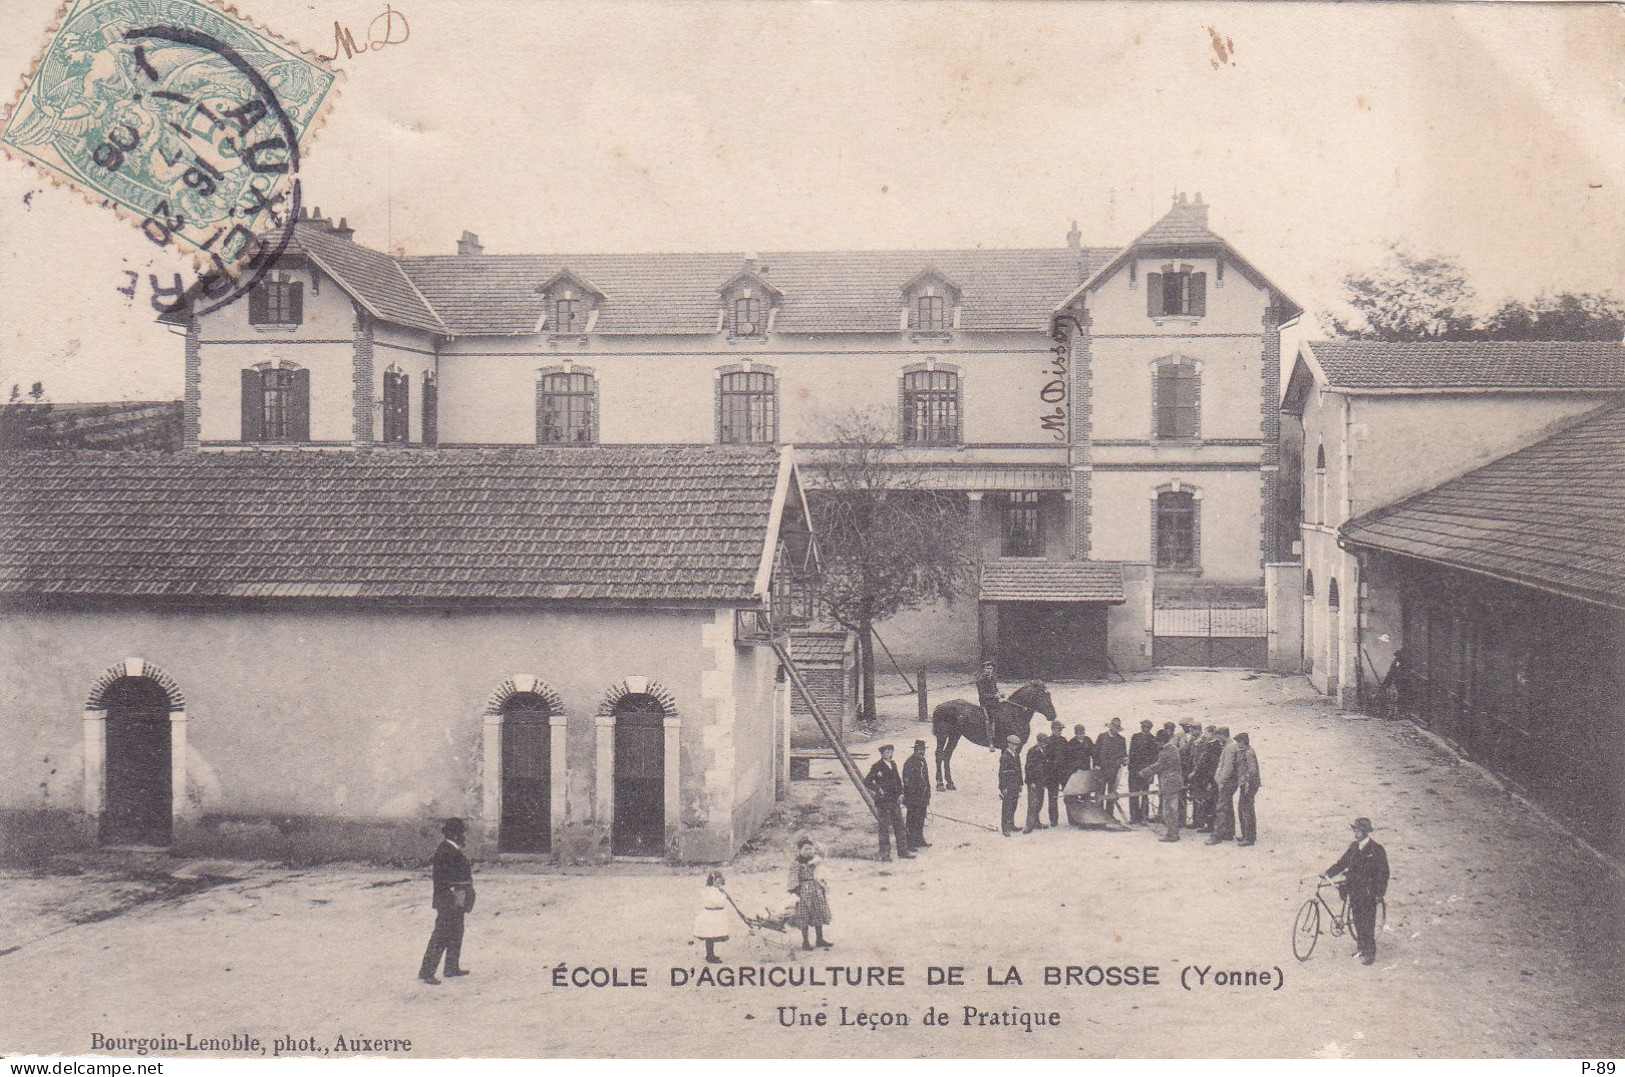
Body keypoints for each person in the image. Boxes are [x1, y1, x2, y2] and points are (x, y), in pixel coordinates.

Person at [1325, 817, 1389, 965]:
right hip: (1354, 890)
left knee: (1368, 921)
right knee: (1357, 920)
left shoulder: (1377, 849)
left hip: (1368, 892)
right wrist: (1327, 873)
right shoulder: (1354, 847)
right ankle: (1361, 947)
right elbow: (1342, 863)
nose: (1356, 832)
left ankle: (1370, 953)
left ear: (1366, 832)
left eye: (1359, 830)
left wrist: (1380, 893)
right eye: (1355, 829)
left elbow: (1384, 872)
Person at [418, 817, 474, 985]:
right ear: (455, 834)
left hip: (456, 899)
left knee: (457, 932)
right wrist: (457, 894)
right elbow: (446, 879)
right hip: (449, 900)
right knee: (441, 935)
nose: (464, 836)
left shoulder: (450, 849)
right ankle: (427, 972)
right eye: (461, 833)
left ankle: (451, 967)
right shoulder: (446, 851)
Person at [865, 744, 913, 860]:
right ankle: (885, 854)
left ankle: (903, 851)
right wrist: (878, 789)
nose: (890, 754)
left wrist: (901, 793)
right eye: (887, 752)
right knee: (884, 828)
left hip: (894, 801)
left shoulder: (893, 764)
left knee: (900, 826)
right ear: (882, 754)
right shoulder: (877, 767)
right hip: (883, 803)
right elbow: (867, 781)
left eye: (891, 752)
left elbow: (898, 781)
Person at [1138, 729, 1184, 842]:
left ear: (1162, 741)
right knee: (1172, 809)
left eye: (1158, 741)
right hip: (1175, 782)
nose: (1157, 744)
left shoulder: (1165, 752)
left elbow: (1158, 766)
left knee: (1169, 810)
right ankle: (1173, 833)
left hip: (1169, 784)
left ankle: (1171, 835)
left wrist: (1143, 772)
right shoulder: (1174, 749)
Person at [788, 837, 833, 951]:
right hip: (804, 891)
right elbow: (793, 878)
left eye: (810, 849)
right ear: (800, 850)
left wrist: (822, 886)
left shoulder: (815, 861)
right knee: (804, 915)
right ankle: (805, 942)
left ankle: (819, 939)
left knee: (819, 912)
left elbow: (820, 873)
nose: (808, 851)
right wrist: (796, 892)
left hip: (816, 889)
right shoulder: (797, 863)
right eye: (806, 849)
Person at [1208, 727, 1240, 844]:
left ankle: (1217, 836)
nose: (1218, 739)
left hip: (1227, 782)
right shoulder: (1230, 746)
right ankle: (1229, 832)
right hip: (1229, 782)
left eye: (1219, 736)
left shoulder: (1230, 748)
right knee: (1227, 806)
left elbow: (1228, 767)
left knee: (1221, 808)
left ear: (1223, 735)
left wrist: (1220, 781)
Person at [693, 870, 731, 964]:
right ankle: (709, 956)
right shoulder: (710, 891)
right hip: (711, 916)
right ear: (712, 882)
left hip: (715, 915)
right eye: (716, 882)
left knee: (712, 936)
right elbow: (718, 902)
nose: (718, 884)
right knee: (710, 936)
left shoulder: (715, 890)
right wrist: (724, 895)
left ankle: (711, 954)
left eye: (720, 882)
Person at [902, 739, 932, 850]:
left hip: (923, 796)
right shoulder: (909, 762)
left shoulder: (923, 761)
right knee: (912, 819)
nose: (921, 752)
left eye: (923, 750)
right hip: (913, 797)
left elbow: (926, 778)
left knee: (921, 818)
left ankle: (919, 839)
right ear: (915, 750)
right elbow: (906, 781)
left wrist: (928, 793)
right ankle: (910, 842)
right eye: (919, 750)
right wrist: (910, 796)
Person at [1232, 733, 1261, 846]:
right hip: (1245, 784)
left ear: (1244, 742)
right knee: (1242, 809)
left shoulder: (1248, 753)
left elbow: (1252, 770)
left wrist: (1247, 782)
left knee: (1247, 810)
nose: (1238, 744)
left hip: (1249, 785)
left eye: (1239, 742)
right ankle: (1246, 835)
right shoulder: (1244, 751)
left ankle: (1250, 838)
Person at [1094, 718, 1126, 821]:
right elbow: (1095, 752)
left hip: (1114, 770)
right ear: (1110, 726)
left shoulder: (1121, 740)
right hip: (1102, 770)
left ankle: (1109, 815)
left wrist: (1122, 761)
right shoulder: (1102, 737)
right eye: (1113, 726)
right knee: (1100, 792)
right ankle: (1098, 815)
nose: (1114, 729)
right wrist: (1096, 765)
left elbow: (1124, 755)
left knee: (1111, 793)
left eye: (1117, 727)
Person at [1126, 719, 1157, 825]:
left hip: (1146, 771)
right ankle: (1134, 817)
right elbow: (1131, 753)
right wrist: (1130, 768)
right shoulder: (1135, 737)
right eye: (1144, 727)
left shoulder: (1153, 739)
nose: (1145, 729)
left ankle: (1144, 817)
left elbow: (1154, 757)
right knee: (1133, 794)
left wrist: (1151, 773)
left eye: (1148, 727)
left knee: (1145, 794)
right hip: (1134, 770)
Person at [1022, 734, 1051, 833]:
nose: (1044, 744)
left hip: (1041, 782)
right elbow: (1028, 768)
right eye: (1043, 742)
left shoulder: (1045, 751)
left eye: (1045, 742)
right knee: (1033, 804)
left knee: (1040, 802)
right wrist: (1031, 782)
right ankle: (1029, 825)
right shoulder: (1032, 751)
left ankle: (1036, 822)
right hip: (1033, 782)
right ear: (1038, 741)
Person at [1044, 721, 1070, 826]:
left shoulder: (1064, 741)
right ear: (1053, 729)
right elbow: (1045, 759)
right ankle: (1053, 820)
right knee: (1053, 797)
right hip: (1052, 774)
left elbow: (1069, 756)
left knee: (1068, 796)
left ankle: (1072, 819)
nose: (1059, 732)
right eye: (1058, 730)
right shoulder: (1048, 741)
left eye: (1061, 730)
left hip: (1063, 773)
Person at [998, 734, 1023, 836]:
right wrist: (1002, 787)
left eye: (1017, 745)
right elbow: (1001, 773)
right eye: (1013, 744)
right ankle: (1005, 828)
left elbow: (1019, 770)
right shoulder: (1005, 757)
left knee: (1014, 805)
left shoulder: (1016, 755)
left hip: (1015, 784)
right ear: (1009, 744)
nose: (1015, 746)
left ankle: (1011, 824)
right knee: (1006, 807)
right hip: (1008, 785)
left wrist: (1020, 784)